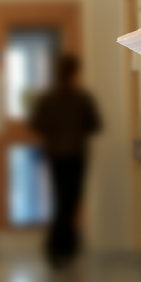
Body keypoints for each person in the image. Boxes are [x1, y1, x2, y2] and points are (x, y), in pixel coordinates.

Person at [28, 54, 101, 267]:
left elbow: (36, 124)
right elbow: (94, 124)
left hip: (56, 154)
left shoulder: (48, 98)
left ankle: (62, 246)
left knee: (62, 199)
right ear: (74, 73)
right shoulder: (81, 98)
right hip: (76, 154)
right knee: (70, 200)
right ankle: (61, 246)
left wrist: (54, 130)